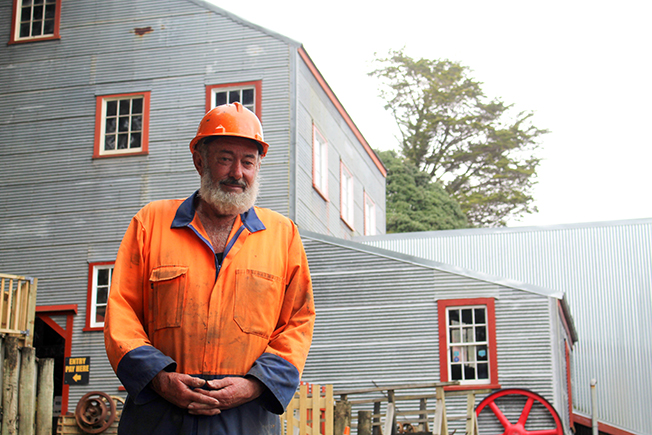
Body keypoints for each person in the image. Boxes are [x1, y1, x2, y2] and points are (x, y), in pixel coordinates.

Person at [104, 102, 316, 435]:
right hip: (159, 413)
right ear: (199, 160)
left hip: (246, 417)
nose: (237, 173)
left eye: (248, 161)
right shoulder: (150, 223)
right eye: (225, 158)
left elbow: (297, 322)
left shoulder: (283, 235)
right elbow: (121, 312)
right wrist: (159, 379)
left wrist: (254, 386)